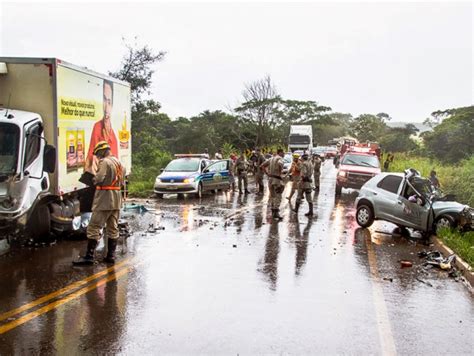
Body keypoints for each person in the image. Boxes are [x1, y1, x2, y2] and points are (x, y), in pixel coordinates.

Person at [74, 141, 125, 266]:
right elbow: (122, 182)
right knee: (113, 228)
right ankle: (111, 256)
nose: (97, 157)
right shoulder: (119, 163)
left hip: (104, 200)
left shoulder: (104, 162)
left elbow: (99, 178)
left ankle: (89, 257)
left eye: (98, 154)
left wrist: (92, 179)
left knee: (94, 227)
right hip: (116, 200)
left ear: (102, 151)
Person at [85, 80, 119, 173]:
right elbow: (89, 158)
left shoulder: (114, 138)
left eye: (109, 101)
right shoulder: (97, 127)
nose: (106, 106)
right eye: (104, 99)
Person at [261, 148, 285, 221]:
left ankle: (273, 212)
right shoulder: (279, 158)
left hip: (270, 179)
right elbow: (280, 164)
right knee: (279, 196)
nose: (284, 154)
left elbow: (262, 166)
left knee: (273, 196)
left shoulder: (271, 159)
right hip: (277, 180)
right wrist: (280, 172)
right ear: (280, 153)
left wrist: (267, 173)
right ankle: (276, 212)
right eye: (283, 152)